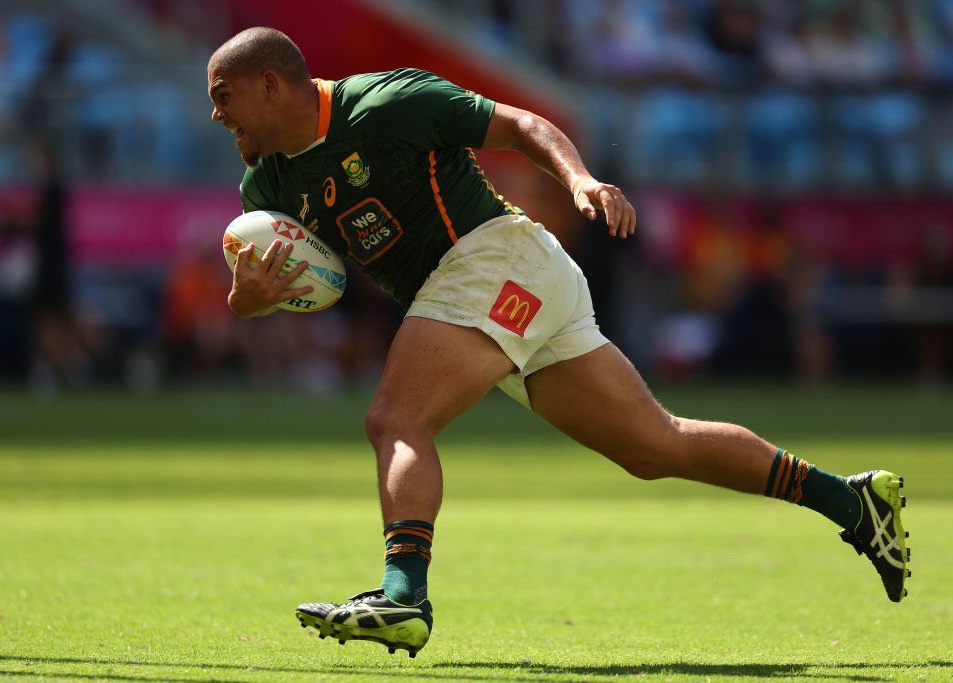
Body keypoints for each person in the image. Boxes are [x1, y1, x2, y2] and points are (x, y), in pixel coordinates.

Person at [206, 27, 910, 658]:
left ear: (272, 84)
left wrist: (578, 177)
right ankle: (852, 503)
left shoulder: (387, 103)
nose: (216, 114)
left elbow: (518, 124)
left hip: (496, 257)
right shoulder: (265, 185)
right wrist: (251, 299)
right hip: (490, 291)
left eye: (224, 95)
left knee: (397, 417)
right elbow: (265, 288)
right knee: (655, 446)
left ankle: (403, 595)